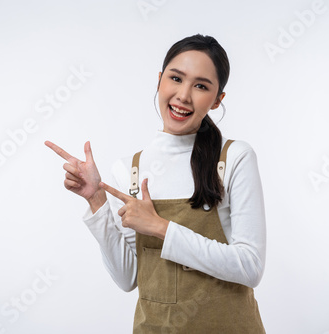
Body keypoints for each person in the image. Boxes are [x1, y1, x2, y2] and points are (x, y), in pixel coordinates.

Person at [45, 34, 266, 333]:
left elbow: (250, 266)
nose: (184, 95)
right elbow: (128, 278)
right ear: (160, 80)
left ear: (217, 100)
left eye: (201, 86)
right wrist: (95, 200)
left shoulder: (234, 157)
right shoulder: (129, 170)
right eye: (176, 78)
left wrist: (161, 227)